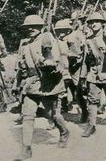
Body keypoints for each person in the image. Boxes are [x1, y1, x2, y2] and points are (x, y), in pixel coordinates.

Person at [16, 15, 69, 160]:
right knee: (28, 115)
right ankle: (26, 148)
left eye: (34, 26)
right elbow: (21, 66)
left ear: (41, 27)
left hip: (49, 83)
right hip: (32, 83)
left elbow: (57, 58)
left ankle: (64, 132)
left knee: (53, 115)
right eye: (27, 27)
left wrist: (50, 63)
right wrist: (19, 82)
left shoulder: (48, 39)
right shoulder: (25, 45)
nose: (30, 29)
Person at [80, 12, 106, 137]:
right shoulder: (88, 41)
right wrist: (83, 77)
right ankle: (91, 125)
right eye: (91, 22)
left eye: (96, 22)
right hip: (93, 74)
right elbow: (85, 61)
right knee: (92, 100)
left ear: (102, 23)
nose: (93, 24)